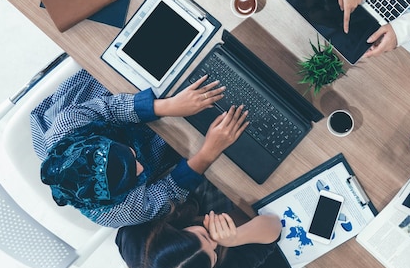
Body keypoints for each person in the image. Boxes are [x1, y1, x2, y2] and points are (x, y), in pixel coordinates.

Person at [30, 68, 249, 227]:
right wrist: (208, 153)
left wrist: (168, 106)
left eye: (130, 157)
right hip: (159, 146)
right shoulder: (119, 212)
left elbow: (109, 108)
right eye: (133, 176)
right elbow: (169, 192)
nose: (141, 169)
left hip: (103, 106)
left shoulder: (67, 125)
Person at [116, 196, 290, 268]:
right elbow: (274, 226)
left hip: (193, 211)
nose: (214, 242)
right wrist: (235, 239)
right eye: (212, 255)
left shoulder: (134, 241)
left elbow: (123, 233)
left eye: (201, 237)